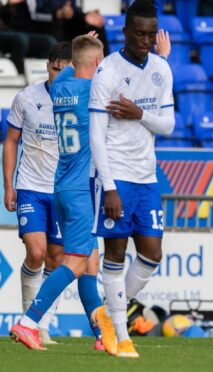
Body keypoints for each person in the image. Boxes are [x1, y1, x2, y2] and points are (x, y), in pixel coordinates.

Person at [2, 40, 105, 349]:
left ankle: (42, 326)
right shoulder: (30, 97)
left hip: (60, 186)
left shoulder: (67, 90)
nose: (57, 72)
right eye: (53, 67)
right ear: (46, 65)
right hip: (38, 186)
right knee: (45, 254)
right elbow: (10, 141)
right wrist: (8, 184)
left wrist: (84, 51)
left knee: (68, 258)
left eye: (64, 67)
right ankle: (29, 320)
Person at [88, 0, 175, 358]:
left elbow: (167, 126)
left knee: (152, 254)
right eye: (138, 33)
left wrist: (139, 113)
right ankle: (121, 337)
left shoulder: (161, 68)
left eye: (150, 34)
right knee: (116, 252)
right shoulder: (107, 71)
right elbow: (96, 134)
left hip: (147, 176)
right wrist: (108, 186)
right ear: (124, 31)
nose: (145, 39)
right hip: (116, 175)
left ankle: (107, 314)